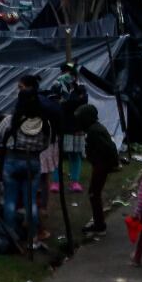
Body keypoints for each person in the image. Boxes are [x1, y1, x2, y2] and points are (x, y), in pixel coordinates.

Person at [0, 90, 52, 248]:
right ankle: (33, 238)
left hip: (12, 161)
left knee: (10, 200)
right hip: (33, 161)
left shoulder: (10, 120)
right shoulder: (44, 123)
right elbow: (46, 144)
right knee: (31, 202)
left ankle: (11, 238)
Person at [77, 103, 118, 235]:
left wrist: (110, 164)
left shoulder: (95, 131)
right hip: (99, 164)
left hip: (101, 165)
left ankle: (99, 225)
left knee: (94, 194)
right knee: (94, 193)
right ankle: (98, 222)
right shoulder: (94, 129)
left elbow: (108, 149)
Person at [50, 65, 88, 194]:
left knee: (75, 154)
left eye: (70, 74)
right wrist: (68, 101)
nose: (68, 76)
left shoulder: (80, 89)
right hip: (60, 126)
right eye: (65, 73)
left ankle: (75, 182)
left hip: (76, 127)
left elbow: (82, 103)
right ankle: (56, 182)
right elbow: (55, 103)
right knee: (57, 155)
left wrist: (67, 101)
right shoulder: (57, 87)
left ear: (75, 77)